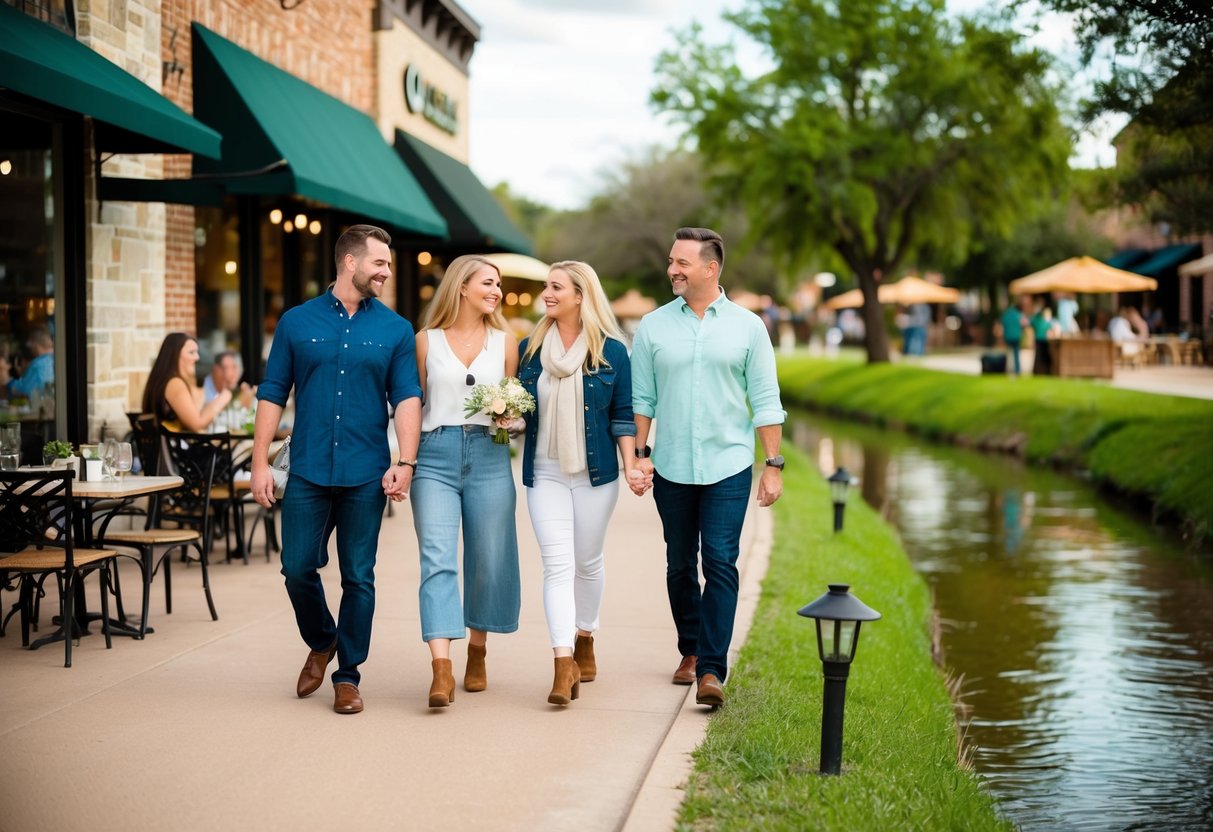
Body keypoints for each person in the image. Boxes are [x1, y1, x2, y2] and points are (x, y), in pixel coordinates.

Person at [249, 224, 422, 716]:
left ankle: (348, 676)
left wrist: (405, 462)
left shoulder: (395, 329)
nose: (387, 272)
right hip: (306, 468)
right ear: (350, 262)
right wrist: (260, 462)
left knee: (358, 577)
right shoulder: (296, 322)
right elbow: (272, 393)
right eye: (380, 264)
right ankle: (323, 639)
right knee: (297, 568)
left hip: (366, 471)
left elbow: (408, 397)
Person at [631, 227, 786, 709]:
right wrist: (639, 455)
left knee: (720, 561)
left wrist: (773, 464)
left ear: (711, 268)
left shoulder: (748, 327)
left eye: (681, 263)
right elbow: (643, 398)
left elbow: (765, 400)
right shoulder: (653, 326)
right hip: (672, 464)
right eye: (671, 261)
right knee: (680, 563)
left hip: (728, 464)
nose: (672, 269)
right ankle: (690, 649)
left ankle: (712, 669)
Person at [518, 261, 642, 706]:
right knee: (556, 565)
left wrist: (631, 465)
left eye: (555, 287)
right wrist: (509, 417)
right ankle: (562, 662)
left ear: (580, 295)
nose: (546, 294)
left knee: (587, 562)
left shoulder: (613, 351)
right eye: (546, 287)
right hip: (545, 472)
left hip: (596, 475)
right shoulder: (529, 350)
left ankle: (585, 635)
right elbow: (519, 411)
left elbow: (622, 416)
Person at [411, 254, 521, 709]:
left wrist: (511, 416)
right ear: (461, 286)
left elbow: (514, 406)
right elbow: (412, 405)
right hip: (434, 454)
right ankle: (441, 669)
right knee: (437, 559)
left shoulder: (506, 342)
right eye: (488, 283)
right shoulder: (425, 341)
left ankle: (478, 648)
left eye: (498, 285)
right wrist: (405, 460)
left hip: (490, 454)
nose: (496, 291)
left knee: (488, 557)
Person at [142, 332, 233, 431]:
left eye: (197, 352)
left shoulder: (165, 380)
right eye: (191, 352)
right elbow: (197, 424)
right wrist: (223, 398)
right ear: (175, 355)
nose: (197, 357)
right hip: (173, 445)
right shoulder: (175, 383)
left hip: (168, 444)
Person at [2, 327, 54, 397]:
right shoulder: (54, 358)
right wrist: (24, 374)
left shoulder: (38, 365)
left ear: (34, 343)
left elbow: (24, 390)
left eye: (29, 343)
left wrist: (7, 381)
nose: (29, 346)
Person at [1000, 300, 1028, 376]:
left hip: (1008, 337)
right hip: (1016, 337)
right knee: (1016, 354)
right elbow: (1025, 323)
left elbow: (1002, 325)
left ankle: (1007, 369)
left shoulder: (1006, 315)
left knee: (1009, 354)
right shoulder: (1019, 315)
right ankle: (1017, 370)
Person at [1030, 302, 1056, 376]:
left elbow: (1031, 324)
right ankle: (1047, 370)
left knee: (1039, 357)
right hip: (1043, 340)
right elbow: (1050, 328)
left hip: (1039, 339)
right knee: (1044, 356)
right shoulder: (1044, 321)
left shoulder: (1037, 320)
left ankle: (1038, 371)